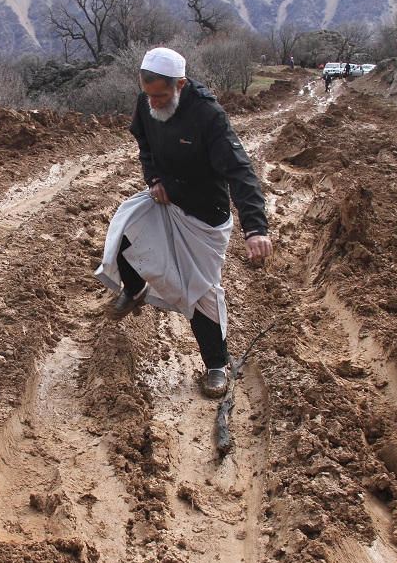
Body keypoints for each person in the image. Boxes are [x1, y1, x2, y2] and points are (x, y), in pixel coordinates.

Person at [95, 47, 273, 398]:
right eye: (149, 96)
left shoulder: (208, 116)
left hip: (205, 217)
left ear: (181, 84)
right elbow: (144, 143)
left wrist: (255, 229)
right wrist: (153, 180)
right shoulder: (147, 102)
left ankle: (216, 365)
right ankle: (134, 289)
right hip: (166, 199)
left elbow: (241, 172)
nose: (154, 103)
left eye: (161, 96)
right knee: (124, 234)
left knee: (201, 294)